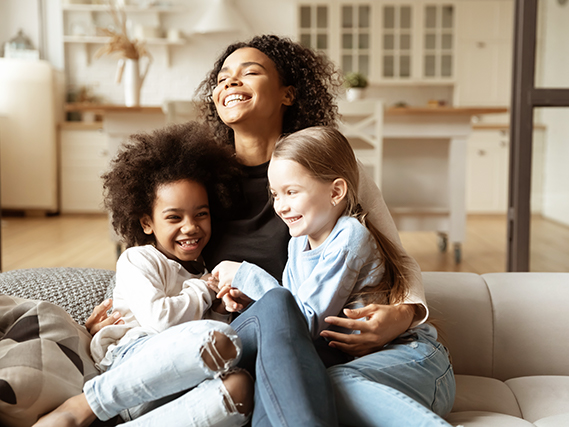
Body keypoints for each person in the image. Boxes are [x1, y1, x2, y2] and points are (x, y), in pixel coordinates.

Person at [88, 34, 455, 426]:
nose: (230, 81)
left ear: (288, 95)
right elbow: (159, 258)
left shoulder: (326, 172)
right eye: (223, 77)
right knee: (274, 314)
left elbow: (394, 254)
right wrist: (122, 312)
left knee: (283, 326)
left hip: (311, 346)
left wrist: (405, 313)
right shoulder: (200, 182)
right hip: (247, 340)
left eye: (250, 72)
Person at [34, 122, 253, 427]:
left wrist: (217, 308)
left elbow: (199, 337)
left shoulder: (203, 272)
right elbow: (160, 321)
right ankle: (82, 407)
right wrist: (203, 291)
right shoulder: (138, 259)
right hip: (131, 364)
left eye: (201, 214)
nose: (190, 226)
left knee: (240, 387)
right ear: (147, 223)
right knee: (219, 341)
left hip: (173, 383)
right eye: (174, 217)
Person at [209, 127, 411, 369]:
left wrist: (248, 275)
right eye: (275, 195)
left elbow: (300, 322)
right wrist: (252, 297)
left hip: (359, 359)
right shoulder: (298, 242)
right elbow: (294, 304)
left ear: (336, 191)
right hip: (322, 352)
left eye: (291, 192)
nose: (281, 207)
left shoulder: (349, 236)